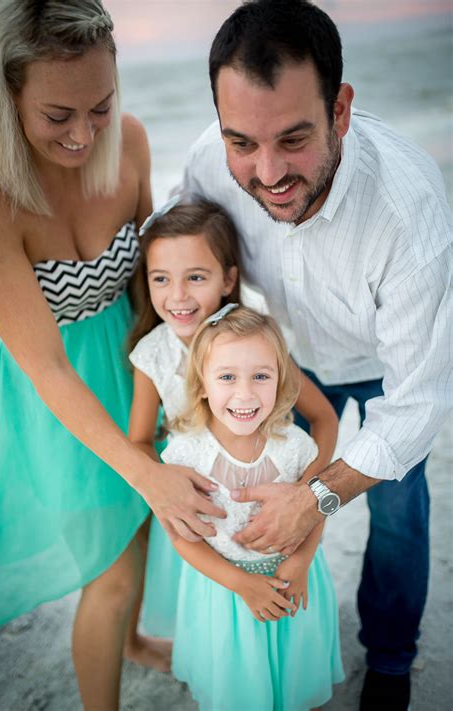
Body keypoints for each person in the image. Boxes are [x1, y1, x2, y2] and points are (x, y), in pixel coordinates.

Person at [180, 1, 452, 708]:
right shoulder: (212, 159)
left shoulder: (409, 206)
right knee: (259, 491)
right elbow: (182, 253)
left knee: (396, 510)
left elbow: (419, 402)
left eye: (294, 138)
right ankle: (278, 641)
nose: (267, 172)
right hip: (285, 362)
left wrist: (322, 492)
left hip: (384, 360)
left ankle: (390, 660)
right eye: (243, 140)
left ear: (340, 109)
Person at [0, 1, 226, 708]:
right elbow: (47, 366)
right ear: (6, 95)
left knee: (142, 532)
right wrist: (143, 468)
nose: (86, 135)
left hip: (137, 365)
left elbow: (152, 279)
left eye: (102, 106)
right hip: (55, 395)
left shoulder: (133, 143)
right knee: (110, 574)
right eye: (59, 116)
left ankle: (132, 643)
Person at [124, 197, 338, 654]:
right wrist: (163, 489)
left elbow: (323, 418)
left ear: (229, 279)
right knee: (220, 634)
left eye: (195, 277)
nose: (177, 296)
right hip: (202, 512)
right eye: (161, 279)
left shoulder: (254, 341)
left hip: (268, 496)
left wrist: (308, 496)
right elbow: (139, 442)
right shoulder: (154, 354)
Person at [162, 304, 344, 711]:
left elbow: (315, 510)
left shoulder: (295, 446)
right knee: (238, 689)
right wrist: (241, 584)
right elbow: (181, 537)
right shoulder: (185, 455)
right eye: (227, 377)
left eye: (261, 376)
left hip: (292, 577)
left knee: (298, 678)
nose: (245, 394)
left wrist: (300, 562)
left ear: (281, 383)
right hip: (225, 589)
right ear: (203, 385)